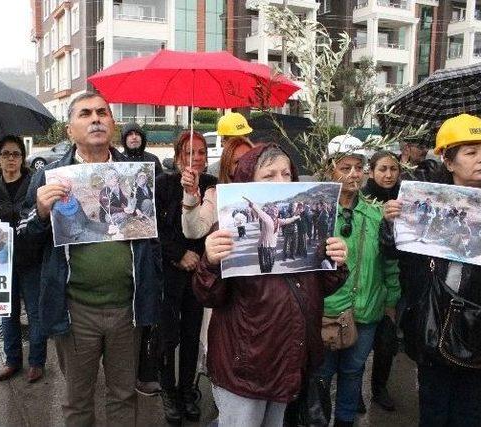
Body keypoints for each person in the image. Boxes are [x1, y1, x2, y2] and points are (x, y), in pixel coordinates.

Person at [18, 92, 162, 426]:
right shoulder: (49, 177)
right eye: (85, 113)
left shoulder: (137, 172)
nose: (95, 118)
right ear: (70, 130)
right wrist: (40, 214)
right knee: (77, 401)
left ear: (113, 124)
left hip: (128, 309)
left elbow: (153, 237)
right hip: (75, 311)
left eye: (102, 112)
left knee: (123, 396)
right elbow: (23, 247)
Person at [193, 143, 349, 427]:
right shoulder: (225, 232)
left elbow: (317, 289)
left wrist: (335, 262)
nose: (280, 182)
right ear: (249, 179)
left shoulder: (288, 220)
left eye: (286, 174)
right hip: (245, 366)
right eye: (269, 176)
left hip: (287, 358)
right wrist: (210, 261)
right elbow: (207, 294)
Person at [382, 113, 481, 426]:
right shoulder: (422, 200)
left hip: (477, 329)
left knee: (470, 411)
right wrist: (392, 223)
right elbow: (395, 253)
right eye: (471, 152)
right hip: (433, 323)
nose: (480, 159)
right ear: (449, 162)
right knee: (435, 410)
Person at [318, 147, 401, 427]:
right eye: (345, 167)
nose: (354, 174)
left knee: (354, 371)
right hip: (327, 312)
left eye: (358, 167)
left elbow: (389, 262)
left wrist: (390, 299)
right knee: (322, 374)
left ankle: (345, 420)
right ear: (330, 170)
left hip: (367, 310)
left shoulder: (376, 214)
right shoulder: (319, 213)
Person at [155, 131, 217, 424]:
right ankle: (168, 390)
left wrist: (198, 256)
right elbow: (155, 228)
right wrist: (178, 254)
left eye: (202, 152)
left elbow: (211, 228)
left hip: (198, 272)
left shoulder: (212, 186)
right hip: (170, 272)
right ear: (178, 156)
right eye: (189, 152)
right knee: (168, 336)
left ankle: (187, 389)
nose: (196, 158)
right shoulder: (163, 184)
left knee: (192, 335)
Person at [0, 135, 48, 383]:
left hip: (30, 257)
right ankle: (12, 360)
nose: (11, 159)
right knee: (7, 312)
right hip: (2, 260)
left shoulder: (34, 184)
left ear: (22, 158)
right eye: (6, 154)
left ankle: (36, 361)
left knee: (36, 313)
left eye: (15, 154)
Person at [360, 150, 402, 412]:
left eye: (393, 170)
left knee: (387, 342)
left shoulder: (405, 197)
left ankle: (379, 388)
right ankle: (354, 394)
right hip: (369, 279)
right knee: (359, 344)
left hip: (398, 278)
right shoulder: (363, 199)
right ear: (372, 171)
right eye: (383, 169)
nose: (388, 175)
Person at [207, 113, 253, 178]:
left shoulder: (258, 167)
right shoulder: (213, 172)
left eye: (245, 136)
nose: (241, 142)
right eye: (235, 139)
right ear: (224, 142)